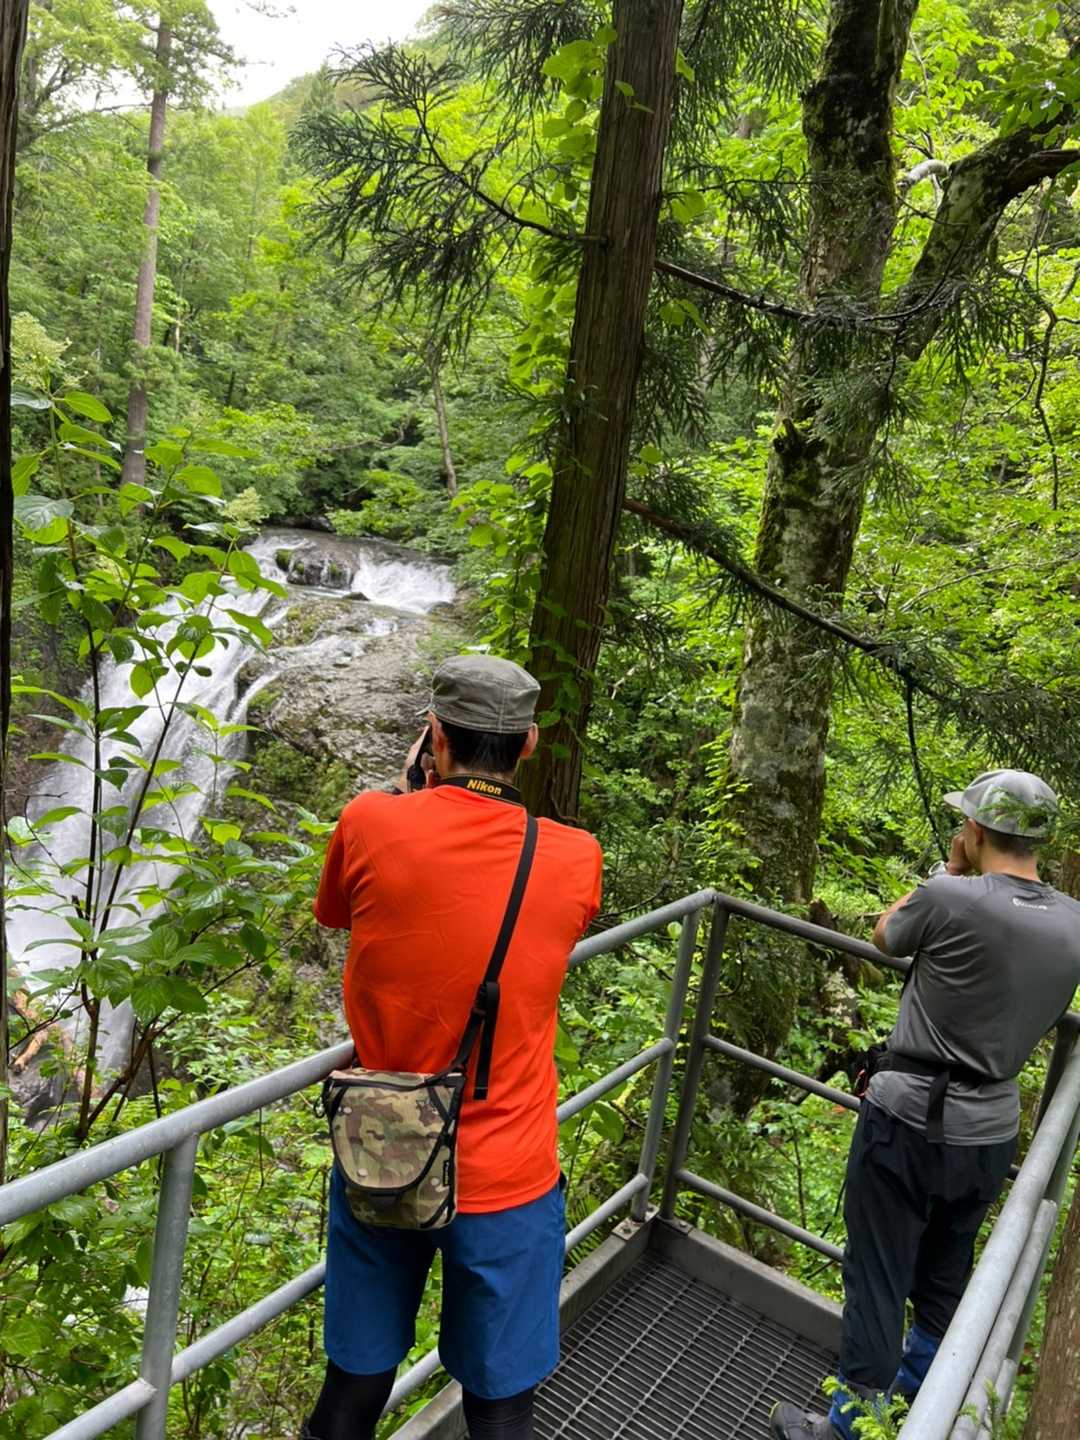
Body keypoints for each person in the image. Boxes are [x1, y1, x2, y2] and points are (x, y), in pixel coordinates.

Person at [303, 654, 603, 1440]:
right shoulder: (577, 856)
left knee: (354, 1386)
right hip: (509, 1172)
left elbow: (337, 912)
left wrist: (414, 794)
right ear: (528, 745)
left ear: (433, 735)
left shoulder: (369, 820)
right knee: (500, 1404)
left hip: (385, 1150)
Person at [771, 769, 1080, 1440]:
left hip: (907, 1121)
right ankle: (916, 1401)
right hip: (990, 1131)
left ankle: (850, 1427)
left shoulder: (950, 897)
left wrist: (951, 869)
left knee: (878, 1276)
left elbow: (886, 936)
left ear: (974, 829)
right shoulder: (1074, 922)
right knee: (944, 1275)